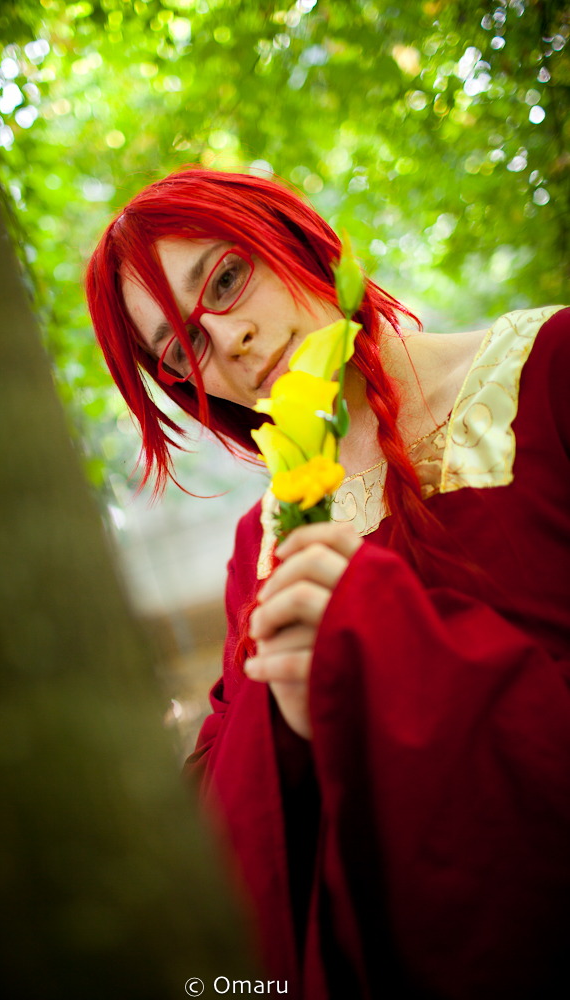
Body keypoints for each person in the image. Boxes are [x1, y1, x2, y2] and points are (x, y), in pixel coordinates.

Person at [86, 168, 570, 999]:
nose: (228, 342)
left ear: (293, 236)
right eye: (184, 351)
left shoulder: (554, 368)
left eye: (227, 279)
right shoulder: (263, 546)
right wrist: (292, 725)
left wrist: (378, 646)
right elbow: (252, 811)